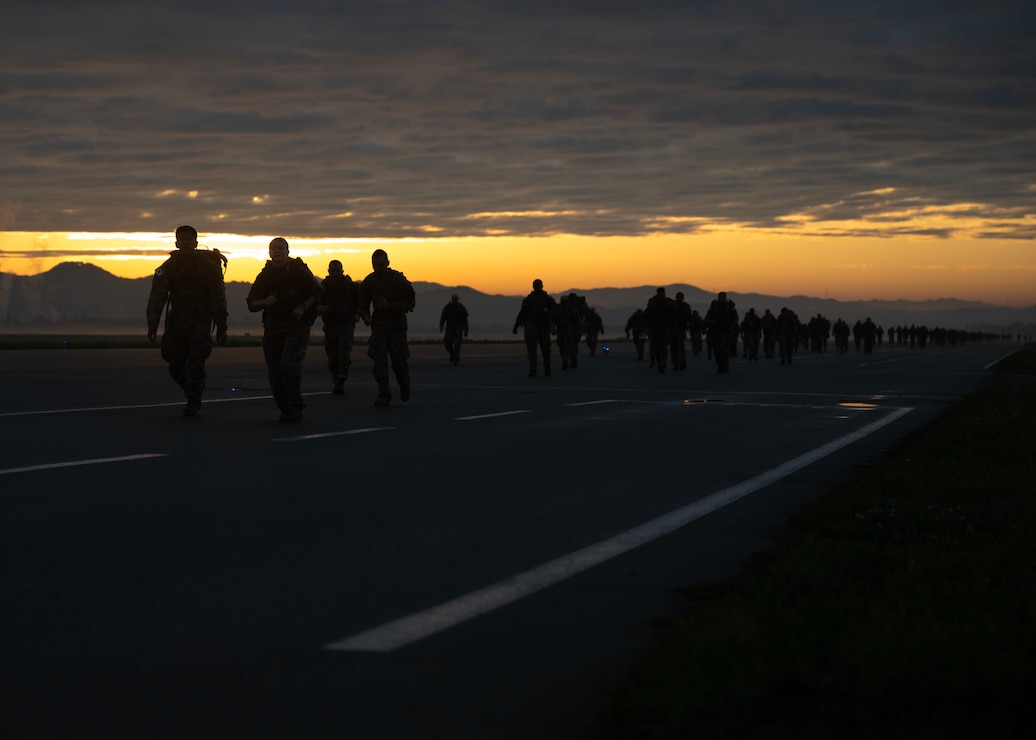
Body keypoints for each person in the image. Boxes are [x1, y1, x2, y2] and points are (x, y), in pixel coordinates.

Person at [146, 225, 228, 417]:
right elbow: (157, 296)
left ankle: (194, 400)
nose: (185, 242)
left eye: (188, 239)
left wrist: (222, 326)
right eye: (181, 239)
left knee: (196, 361)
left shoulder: (207, 266)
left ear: (195, 243)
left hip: (200, 320)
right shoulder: (169, 267)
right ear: (176, 243)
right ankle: (191, 390)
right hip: (177, 321)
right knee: (174, 364)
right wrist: (152, 324)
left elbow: (218, 296)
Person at [246, 237, 320, 422]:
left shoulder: (297, 270)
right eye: (274, 249)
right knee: (275, 370)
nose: (277, 252)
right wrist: (264, 302)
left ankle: (294, 406)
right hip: (273, 326)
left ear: (287, 251)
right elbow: (252, 304)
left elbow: (317, 293)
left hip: (297, 326)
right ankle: (285, 408)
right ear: (269, 253)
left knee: (289, 365)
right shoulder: (265, 275)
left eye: (281, 248)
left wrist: (302, 307)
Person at [359, 249, 416, 406]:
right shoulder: (369, 281)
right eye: (375, 265)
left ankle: (404, 383)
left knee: (399, 360)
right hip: (379, 326)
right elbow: (362, 302)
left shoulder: (398, 279)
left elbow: (411, 302)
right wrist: (365, 315)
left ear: (388, 263)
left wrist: (391, 306)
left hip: (396, 325)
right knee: (379, 359)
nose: (379, 268)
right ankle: (384, 393)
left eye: (381, 265)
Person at [317, 260, 360, 395]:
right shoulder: (324, 287)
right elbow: (317, 303)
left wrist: (358, 314)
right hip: (330, 324)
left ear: (342, 271)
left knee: (343, 352)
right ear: (329, 271)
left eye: (337, 270)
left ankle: (341, 379)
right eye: (332, 271)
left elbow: (360, 301)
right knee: (332, 354)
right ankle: (336, 379)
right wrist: (321, 308)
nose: (335, 273)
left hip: (346, 324)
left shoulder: (350, 287)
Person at [513, 278, 557, 377]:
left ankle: (547, 367)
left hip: (544, 326)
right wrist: (516, 326)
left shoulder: (547, 299)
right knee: (531, 349)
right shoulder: (528, 300)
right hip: (532, 326)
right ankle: (533, 369)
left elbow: (555, 311)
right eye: (535, 285)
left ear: (542, 286)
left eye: (539, 285)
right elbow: (522, 313)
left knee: (545, 349)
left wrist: (551, 321)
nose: (537, 287)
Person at [705, 291, 738, 374]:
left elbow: (735, 318)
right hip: (716, 330)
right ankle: (720, 364)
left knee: (725, 348)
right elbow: (707, 318)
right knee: (717, 349)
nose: (722, 299)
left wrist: (732, 325)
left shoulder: (729, 307)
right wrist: (711, 322)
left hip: (726, 330)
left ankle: (724, 365)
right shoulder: (714, 307)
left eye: (723, 297)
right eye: (720, 297)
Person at [439, 293, 469, 365]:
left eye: (456, 299)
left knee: (457, 345)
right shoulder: (447, 307)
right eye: (454, 299)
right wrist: (441, 326)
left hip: (458, 329)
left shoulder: (461, 308)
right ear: (452, 299)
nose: (455, 300)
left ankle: (456, 359)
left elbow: (465, 320)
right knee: (447, 344)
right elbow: (443, 318)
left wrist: (466, 330)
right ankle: (452, 354)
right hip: (449, 329)